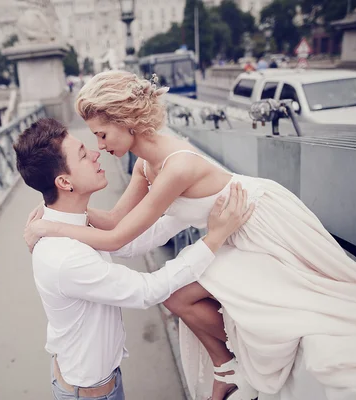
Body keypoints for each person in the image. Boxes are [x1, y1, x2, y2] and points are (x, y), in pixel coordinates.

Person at [24, 71, 356, 400]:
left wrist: (51, 227)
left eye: (102, 134)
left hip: (257, 221)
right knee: (176, 296)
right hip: (229, 229)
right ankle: (228, 366)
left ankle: (239, 365)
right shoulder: (144, 165)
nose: (101, 146)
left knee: (286, 305)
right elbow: (117, 220)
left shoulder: (177, 167)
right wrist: (66, 214)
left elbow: (119, 238)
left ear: (126, 121)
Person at [14, 118, 253, 400]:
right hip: (91, 393)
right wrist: (214, 237)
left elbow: (127, 242)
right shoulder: (66, 256)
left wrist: (189, 213)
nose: (95, 152)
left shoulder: (70, 223)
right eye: (82, 154)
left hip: (90, 380)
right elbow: (147, 290)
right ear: (64, 182)